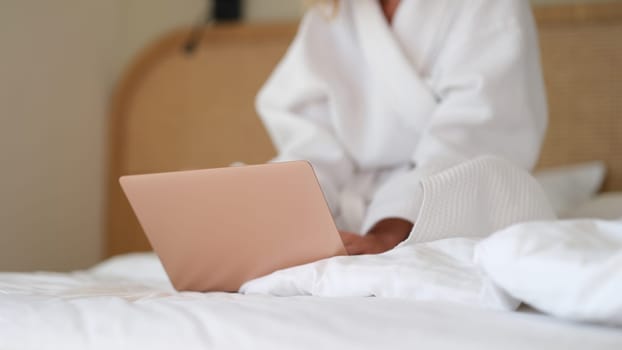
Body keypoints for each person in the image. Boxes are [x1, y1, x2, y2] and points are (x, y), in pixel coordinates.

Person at [256, 0, 547, 255]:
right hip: (351, 214)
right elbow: (313, 139)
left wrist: (392, 227)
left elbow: (475, 129)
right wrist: (282, 206)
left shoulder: (484, 6)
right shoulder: (332, 14)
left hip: (446, 205)